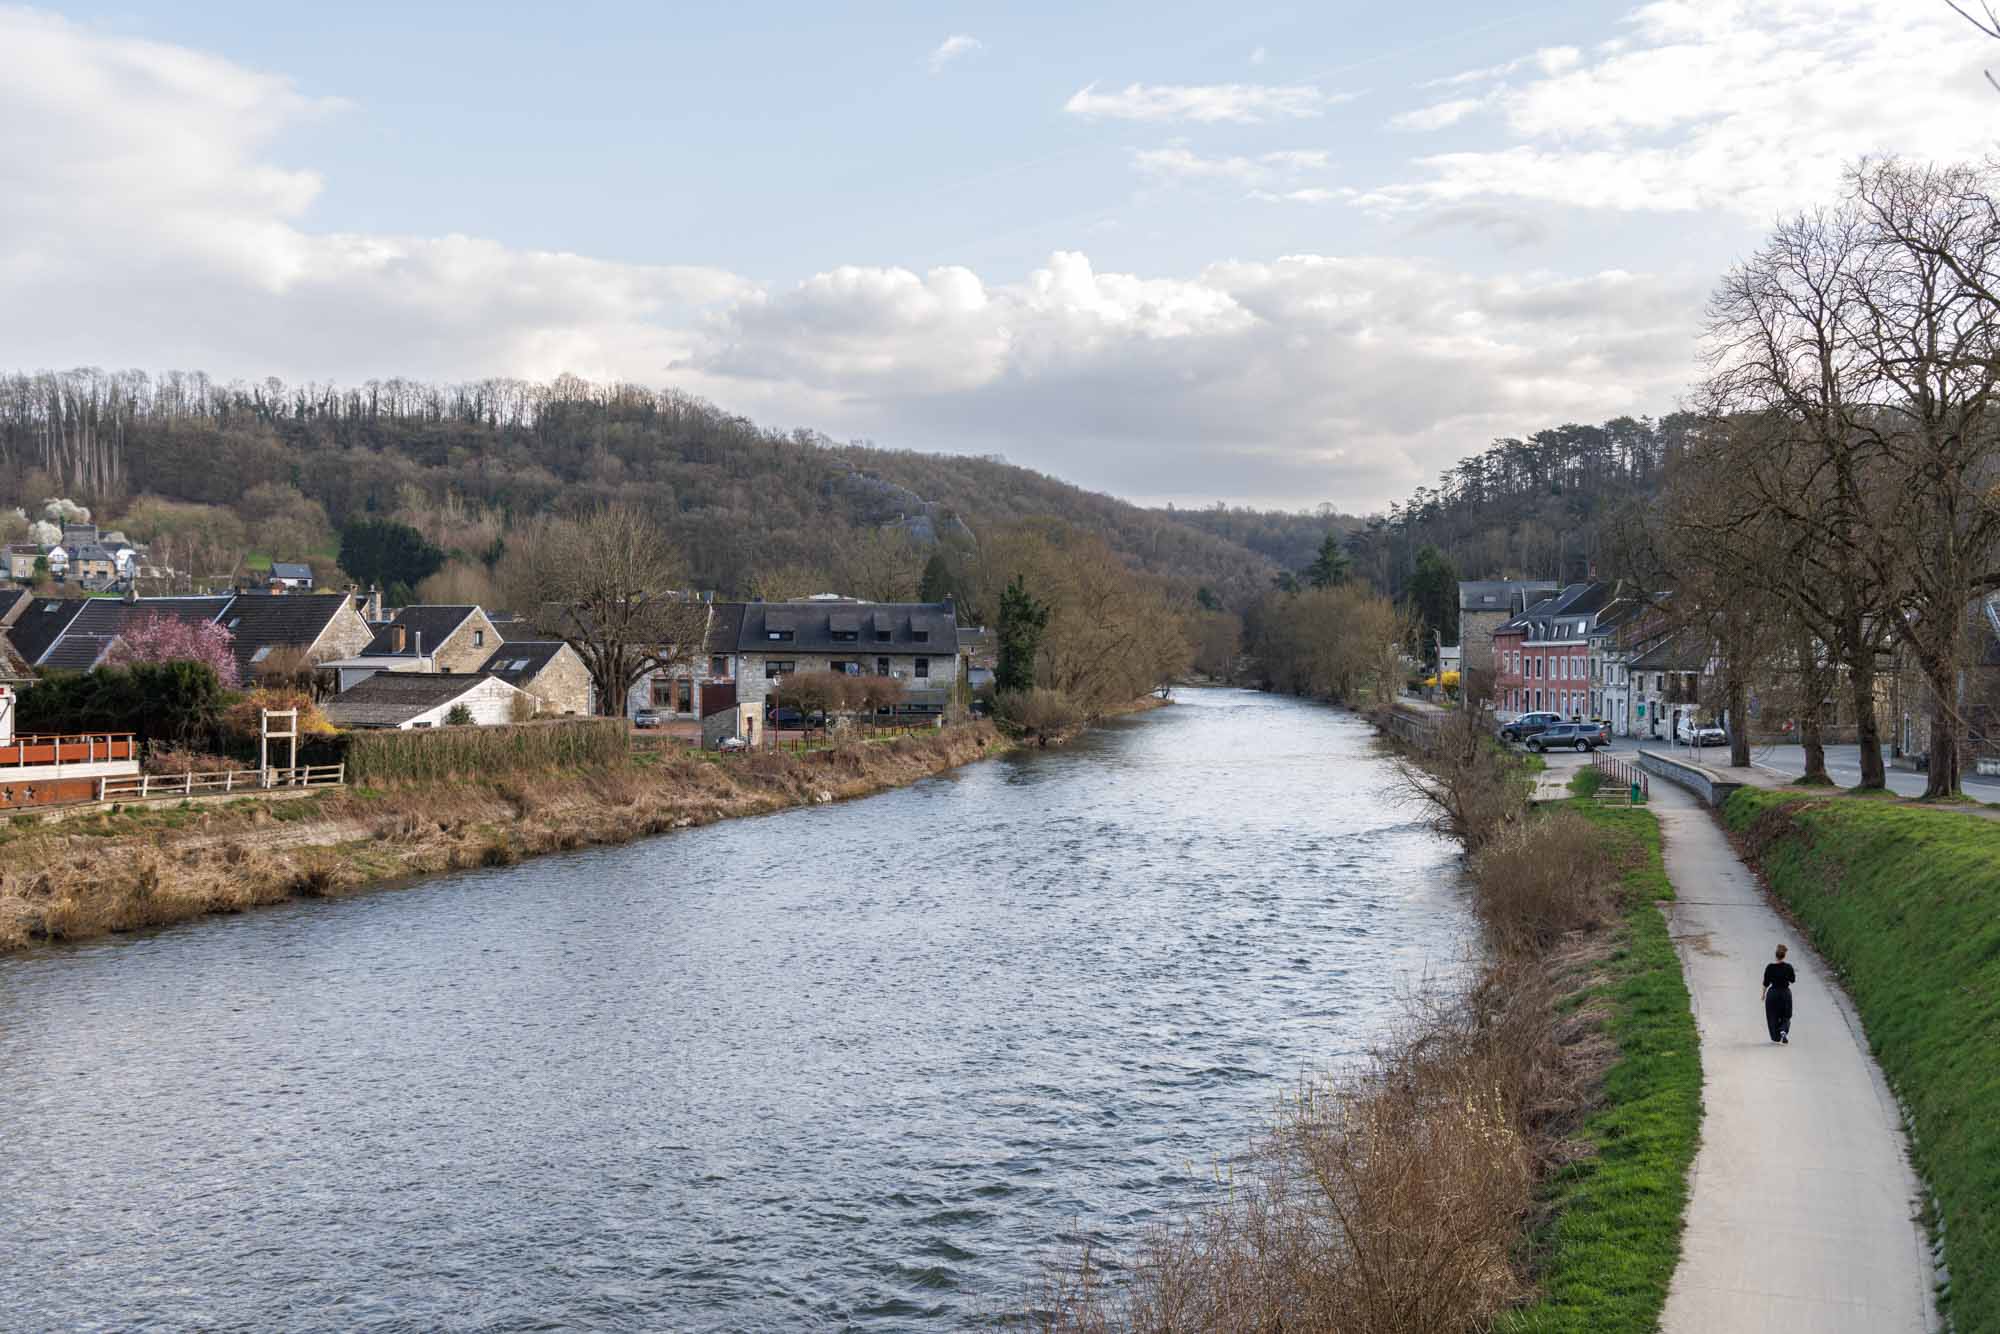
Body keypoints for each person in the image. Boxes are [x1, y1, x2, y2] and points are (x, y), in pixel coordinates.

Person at [1762, 944, 1796, 1044]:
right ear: (1784, 955)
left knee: (1772, 1015)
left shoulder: (1770, 967)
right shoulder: (1788, 967)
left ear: (1775, 955)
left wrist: (1763, 994)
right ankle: (1783, 1030)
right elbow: (1792, 980)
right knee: (1786, 1015)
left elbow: (1765, 983)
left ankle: (1776, 1037)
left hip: (1773, 994)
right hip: (1785, 993)